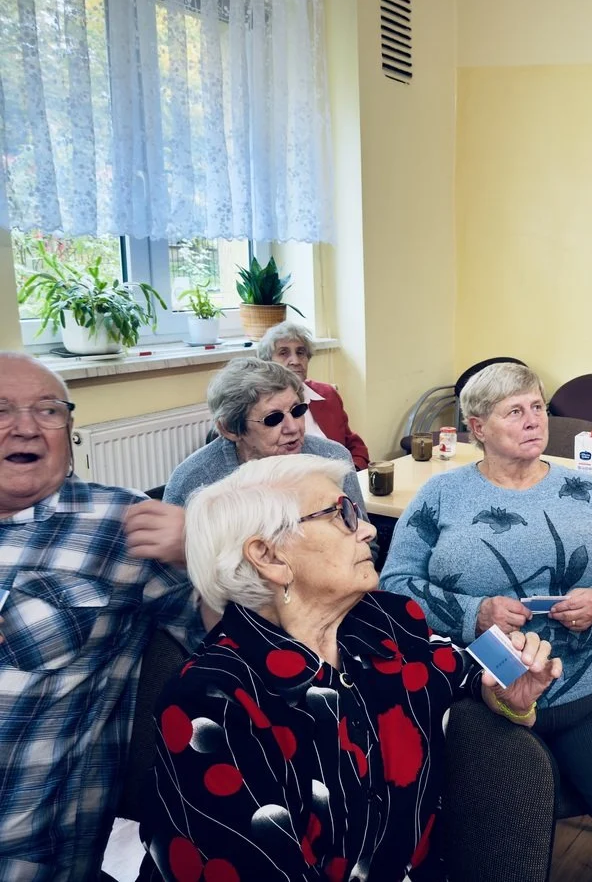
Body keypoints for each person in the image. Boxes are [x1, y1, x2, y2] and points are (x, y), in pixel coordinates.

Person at [140, 454, 562, 880]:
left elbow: (465, 667)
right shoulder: (213, 704)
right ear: (269, 556)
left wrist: (508, 692)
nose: (369, 529)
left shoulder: (387, 620)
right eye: (341, 514)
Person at [380, 362, 592, 882]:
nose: (534, 421)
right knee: (496, 849)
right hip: (480, 687)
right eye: (515, 411)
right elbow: (394, 585)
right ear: (477, 427)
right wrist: (473, 613)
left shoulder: (585, 489)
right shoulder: (441, 495)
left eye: (538, 407)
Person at [0, 352, 200, 881]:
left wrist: (202, 552)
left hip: (28, 844)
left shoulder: (122, 524)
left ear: (70, 429)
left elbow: (237, 642)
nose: (25, 427)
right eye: (1, 410)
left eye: (48, 410)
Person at [164, 357, 365, 511]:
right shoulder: (193, 481)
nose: (293, 427)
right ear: (230, 429)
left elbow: (365, 542)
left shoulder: (333, 459)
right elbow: (169, 565)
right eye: (273, 419)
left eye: (297, 411)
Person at [257, 320, 370, 469]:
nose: (295, 361)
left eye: (300, 352)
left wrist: (351, 473)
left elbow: (353, 445)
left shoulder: (327, 394)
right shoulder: (259, 406)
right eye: (284, 353)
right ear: (267, 362)